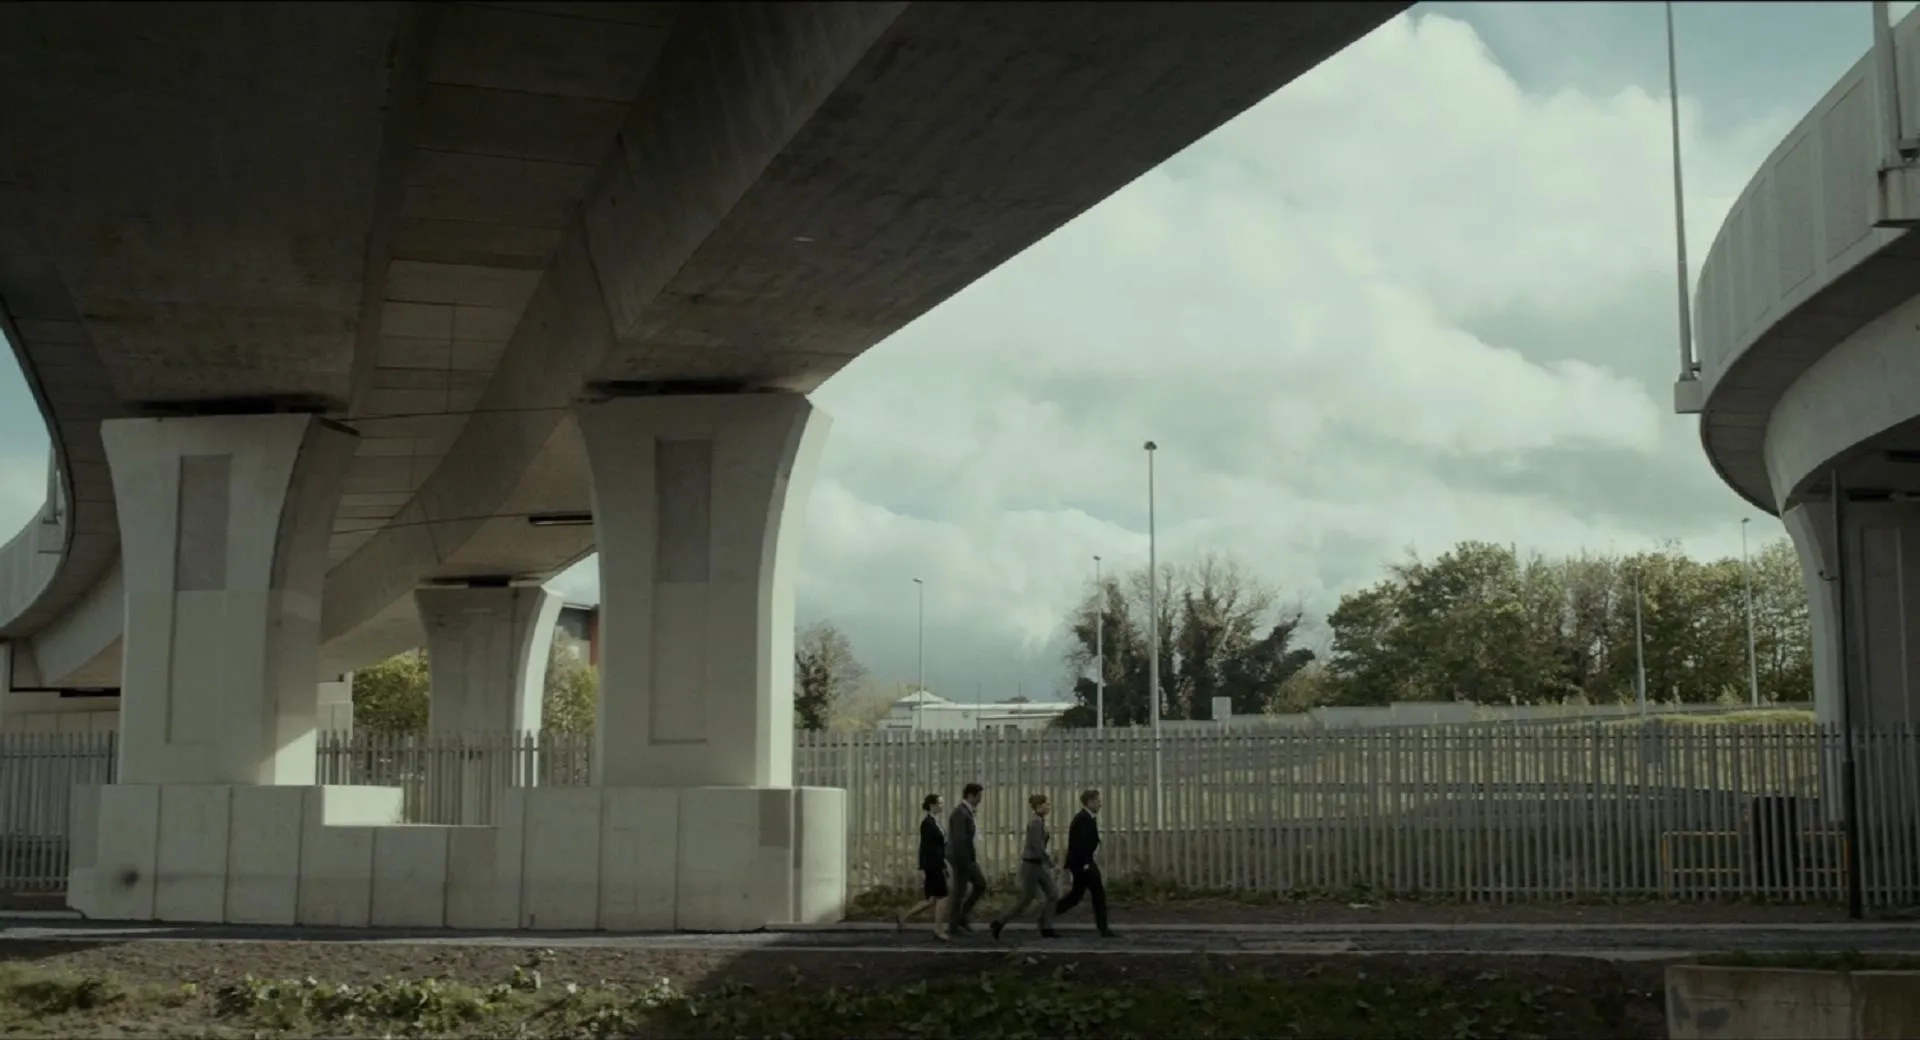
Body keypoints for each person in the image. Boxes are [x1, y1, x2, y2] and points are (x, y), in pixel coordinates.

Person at [990, 792, 1061, 940]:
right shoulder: (1035, 822)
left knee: (1053, 893)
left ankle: (1046, 927)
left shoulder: (1039, 821)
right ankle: (1000, 922)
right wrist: (1050, 862)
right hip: (1032, 865)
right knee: (1026, 900)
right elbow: (1037, 846)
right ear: (1038, 806)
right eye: (1045, 804)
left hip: (1037, 865)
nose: (1048, 807)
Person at [1054, 788, 1116, 937]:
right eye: (1097, 801)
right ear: (1090, 802)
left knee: (1075, 896)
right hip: (1083, 864)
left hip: (1082, 863)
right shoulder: (1082, 820)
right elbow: (1079, 845)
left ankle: (1047, 914)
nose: (1100, 804)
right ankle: (1103, 929)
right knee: (1097, 894)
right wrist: (1086, 864)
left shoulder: (1086, 818)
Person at [896, 793, 951, 940]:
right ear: (932, 805)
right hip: (934, 866)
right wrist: (929, 866)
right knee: (943, 897)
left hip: (937, 864)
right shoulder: (927, 824)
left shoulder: (934, 822)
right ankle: (938, 930)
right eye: (940, 803)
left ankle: (904, 916)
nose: (942, 806)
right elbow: (926, 848)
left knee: (931, 900)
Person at [946, 782, 987, 934]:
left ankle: (959, 920)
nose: (980, 800)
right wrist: (966, 862)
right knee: (961, 891)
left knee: (974, 887)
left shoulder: (966, 812)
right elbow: (959, 840)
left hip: (967, 858)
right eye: (979, 796)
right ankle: (955, 924)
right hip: (961, 859)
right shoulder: (960, 813)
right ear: (970, 795)